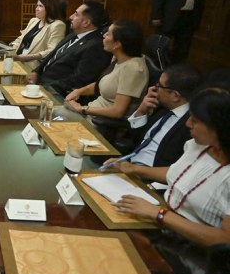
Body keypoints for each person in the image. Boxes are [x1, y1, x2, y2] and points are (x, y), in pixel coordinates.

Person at [115, 86, 230, 246]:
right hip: (162, 220)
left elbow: (225, 239)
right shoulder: (199, 145)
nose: (188, 124)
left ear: (219, 128)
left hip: (190, 249)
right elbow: (180, 173)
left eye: (195, 121)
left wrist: (160, 214)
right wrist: (135, 169)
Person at [106, 64, 202, 180]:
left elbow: (177, 172)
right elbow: (134, 138)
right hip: (128, 167)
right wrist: (141, 112)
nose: (154, 88)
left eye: (159, 85)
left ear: (175, 95)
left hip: (149, 181)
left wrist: (136, 170)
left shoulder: (191, 126)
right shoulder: (162, 108)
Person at [65, 19, 148, 119]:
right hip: (89, 113)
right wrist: (79, 91)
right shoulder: (118, 58)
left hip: (98, 122)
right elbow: (105, 84)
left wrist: (82, 109)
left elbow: (117, 111)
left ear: (117, 44)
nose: (104, 36)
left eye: (108, 34)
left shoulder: (133, 69)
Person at [30, 1, 112, 96]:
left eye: (76, 14)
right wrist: (37, 72)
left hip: (55, 93)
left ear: (86, 23)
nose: (71, 17)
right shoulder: (74, 34)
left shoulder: (96, 46)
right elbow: (52, 55)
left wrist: (44, 89)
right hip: (40, 83)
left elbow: (78, 80)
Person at [10, 0, 66, 71]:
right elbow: (20, 39)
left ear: (50, 8)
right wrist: (12, 52)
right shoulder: (33, 20)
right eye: (37, 5)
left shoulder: (58, 25)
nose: (36, 9)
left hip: (33, 66)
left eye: (40, 6)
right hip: (17, 59)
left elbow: (52, 50)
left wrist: (28, 57)